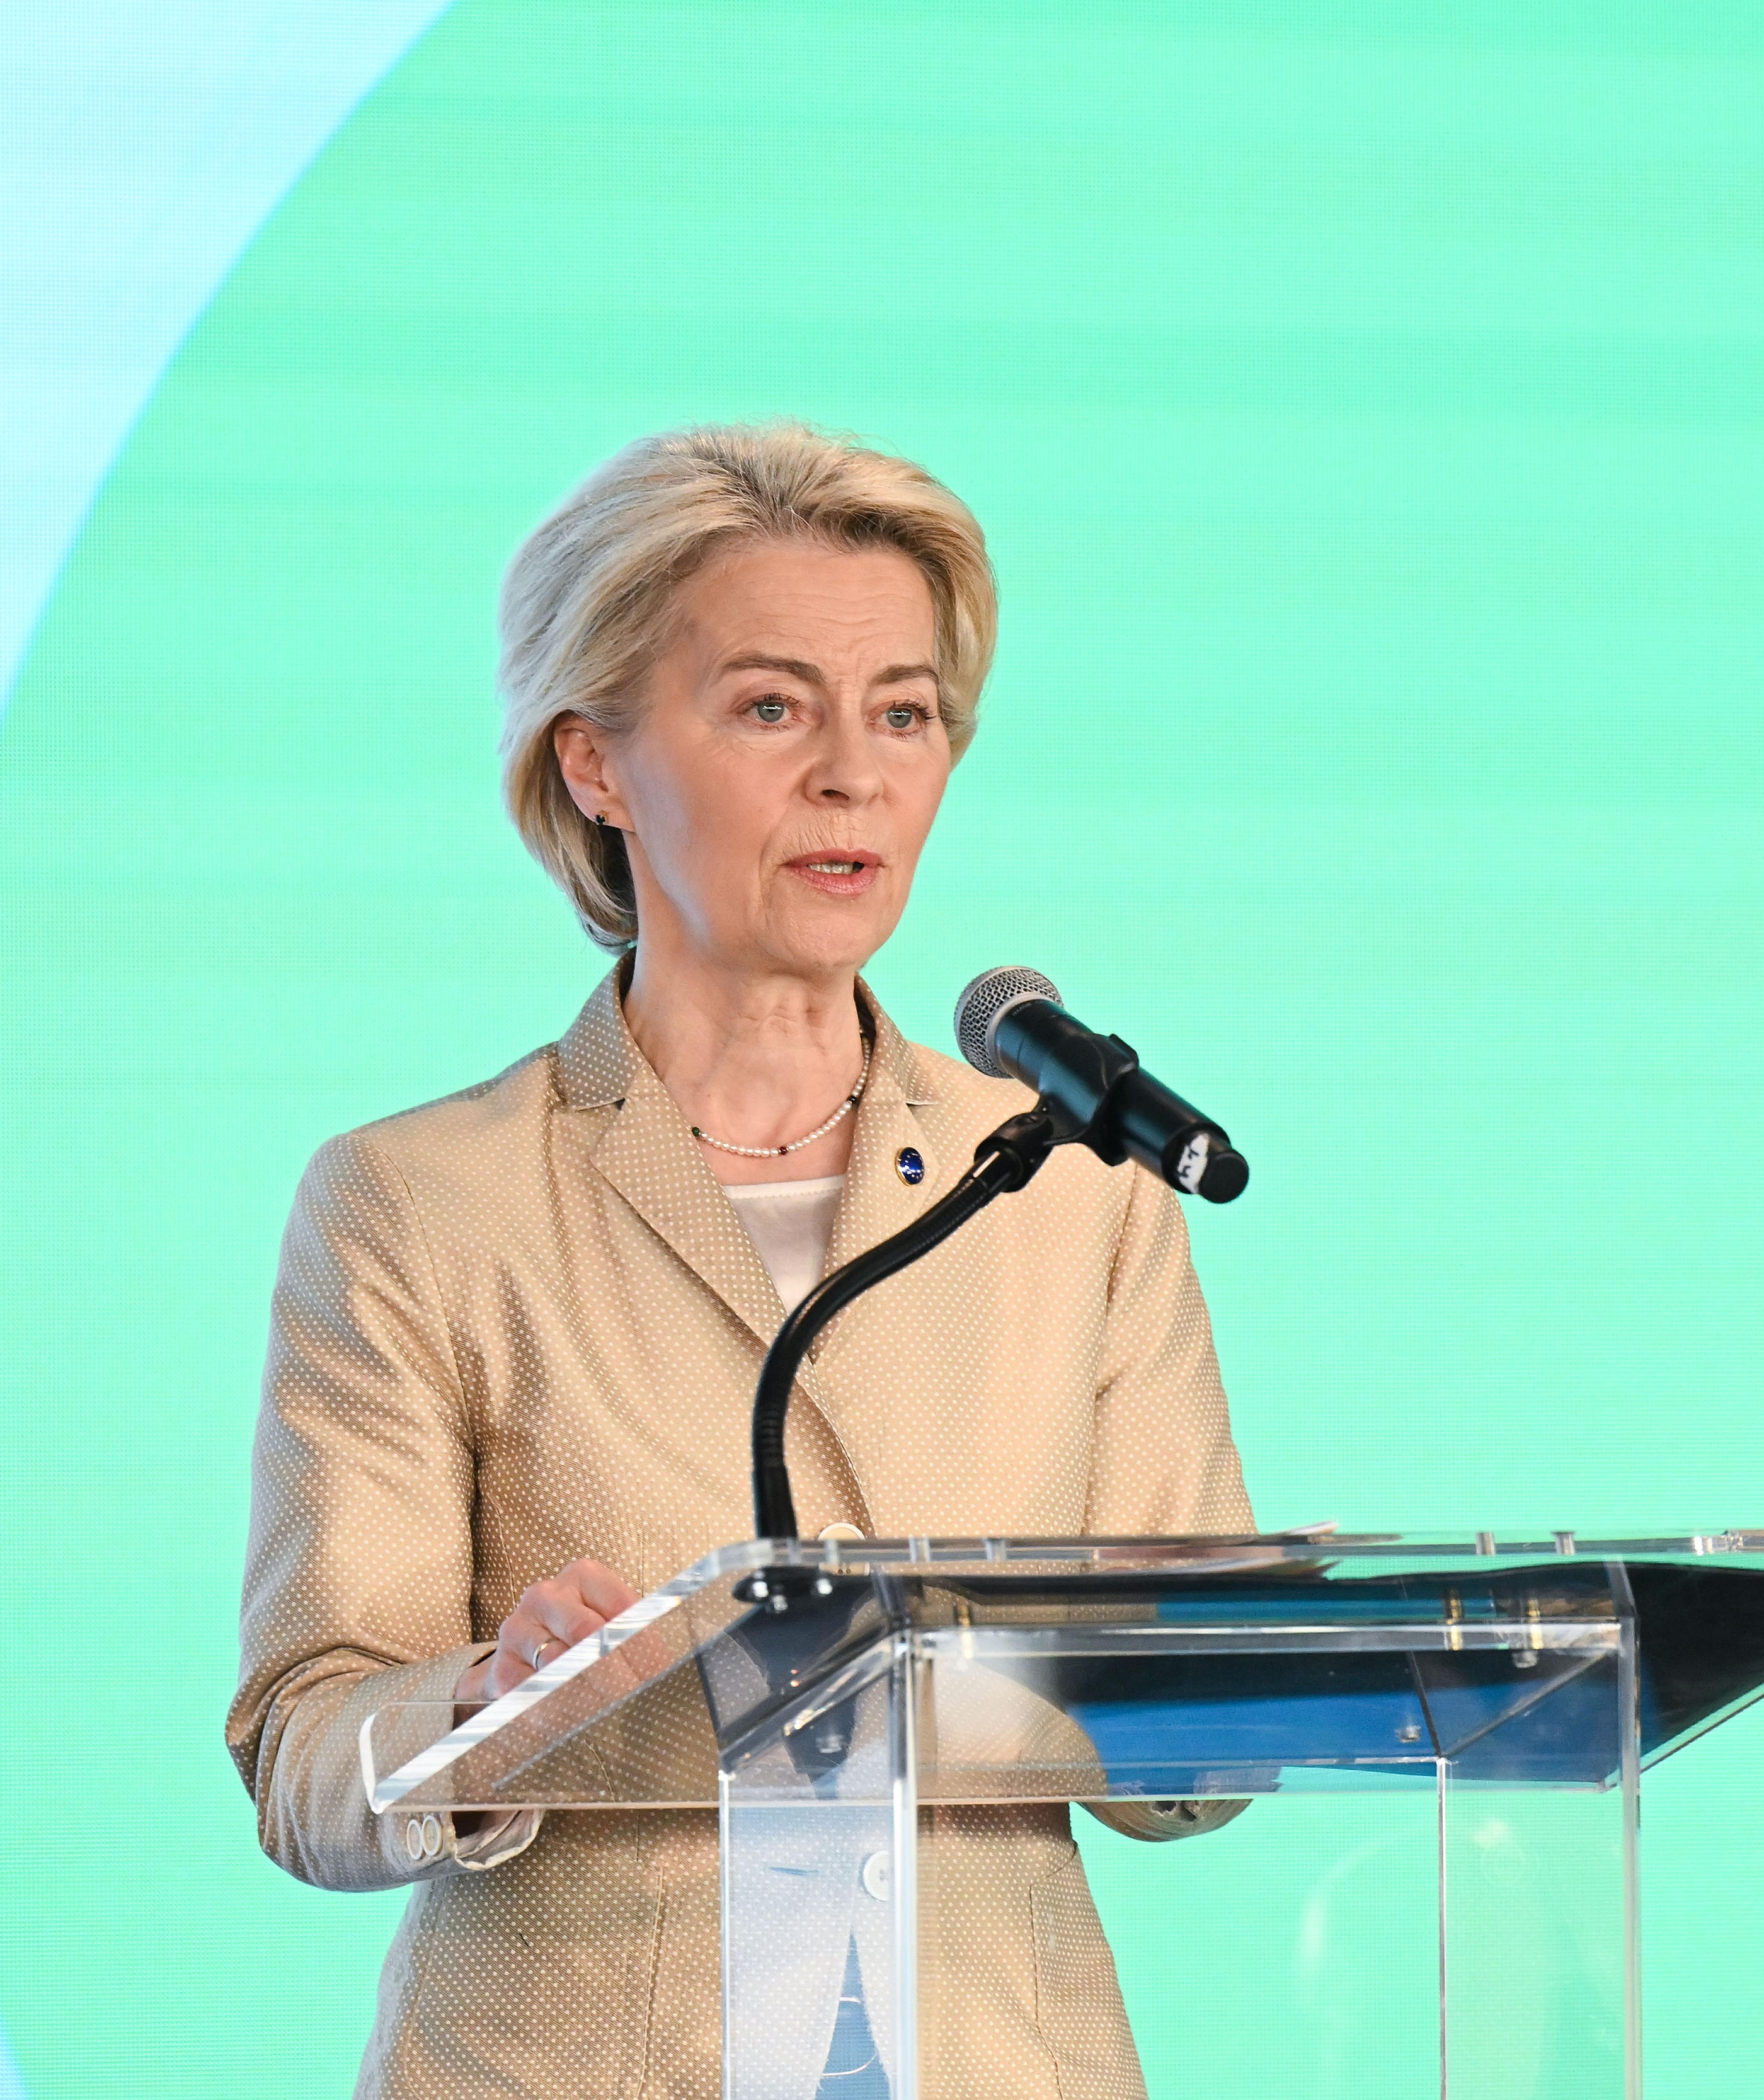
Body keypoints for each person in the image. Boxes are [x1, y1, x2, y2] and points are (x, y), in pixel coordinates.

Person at [224, 423, 1254, 2100]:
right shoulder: (421, 1202)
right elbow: (306, 1765)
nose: (855, 773)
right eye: (772, 707)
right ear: (596, 765)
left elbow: (1191, 1775)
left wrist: (1275, 1665)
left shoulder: (1075, 1193)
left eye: (904, 713)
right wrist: (493, 1700)